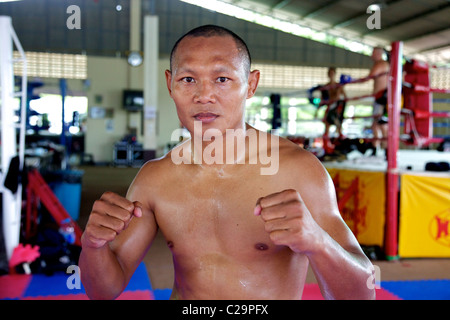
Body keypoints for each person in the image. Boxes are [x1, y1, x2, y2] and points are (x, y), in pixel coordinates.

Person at [79, 25, 375, 300]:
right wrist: (92, 245)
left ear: (251, 84)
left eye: (222, 79)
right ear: (170, 84)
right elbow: (103, 292)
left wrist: (318, 242)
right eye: (188, 79)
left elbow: (363, 295)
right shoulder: (154, 178)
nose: (204, 95)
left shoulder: (299, 171)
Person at [368, 47, 390, 155]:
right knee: (376, 125)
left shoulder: (381, 64)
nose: (371, 55)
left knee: (382, 125)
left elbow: (370, 76)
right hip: (380, 98)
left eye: (373, 53)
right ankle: (375, 149)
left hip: (382, 98)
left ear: (378, 53)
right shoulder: (384, 64)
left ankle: (387, 151)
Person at [322, 67, 347, 139]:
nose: (331, 75)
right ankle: (327, 146)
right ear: (328, 75)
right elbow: (322, 99)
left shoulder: (339, 86)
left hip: (336, 107)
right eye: (330, 73)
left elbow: (345, 97)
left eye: (332, 73)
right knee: (327, 125)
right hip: (329, 106)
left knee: (338, 125)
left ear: (335, 74)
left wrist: (338, 97)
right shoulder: (326, 86)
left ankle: (340, 143)